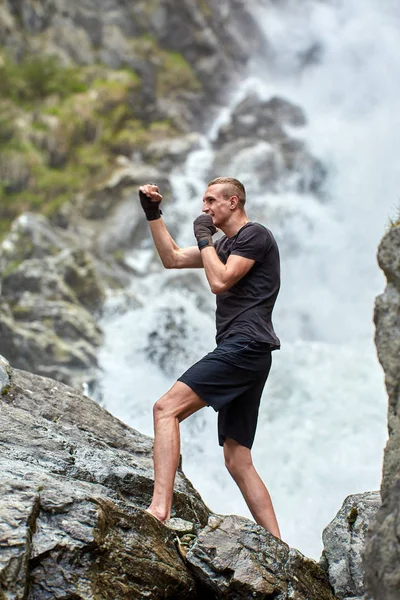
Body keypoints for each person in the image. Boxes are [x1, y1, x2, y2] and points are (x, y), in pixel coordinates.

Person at [138, 177, 281, 538]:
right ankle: (279, 547)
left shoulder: (254, 235)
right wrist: (153, 212)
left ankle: (159, 509)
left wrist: (204, 240)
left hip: (245, 346)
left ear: (234, 202)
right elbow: (171, 258)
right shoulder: (225, 244)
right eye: (203, 202)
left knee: (165, 409)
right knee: (237, 457)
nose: (205, 208)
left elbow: (220, 282)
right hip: (250, 352)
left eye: (211, 201)